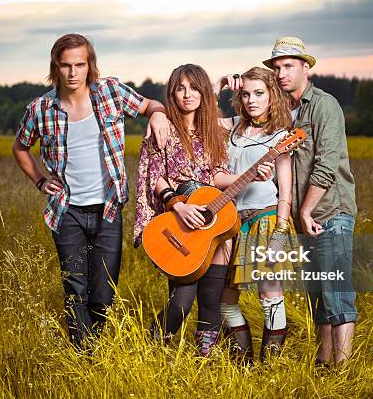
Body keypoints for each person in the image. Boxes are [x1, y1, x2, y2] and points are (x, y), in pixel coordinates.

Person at [12, 33, 169, 349]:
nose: (72, 73)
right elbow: (20, 148)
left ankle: (96, 346)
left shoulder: (110, 92)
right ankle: (85, 356)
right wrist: (40, 181)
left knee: (103, 293)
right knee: (75, 289)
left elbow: (151, 104)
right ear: (56, 67)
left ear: (89, 65)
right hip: (66, 210)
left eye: (79, 65)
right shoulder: (41, 109)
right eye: (65, 65)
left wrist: (159, 113)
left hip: (107, 209)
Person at [217, 36, 358, 367]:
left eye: (289, 66)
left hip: (328, 212)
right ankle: (324, 365)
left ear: (305, 67)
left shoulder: (324, 106)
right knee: (316, 297)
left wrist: (303, 211)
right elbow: (213, 120)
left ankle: (344, 370)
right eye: (276, 67)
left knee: (336, 293)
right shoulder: (280, 112)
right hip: (294, 217)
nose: (281, 73)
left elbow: (325, 165)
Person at [134, 64, 274, 356]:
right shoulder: (163, 127)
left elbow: (217, 175)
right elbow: (155, 176)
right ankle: (152, 345)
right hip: (179, 219)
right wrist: (179, 206)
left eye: (194, 88)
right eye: (180, 88)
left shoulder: (212, 131)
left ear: (202, 92)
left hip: (213, 220)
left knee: (211, 300)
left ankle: (205, 356)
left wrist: (248, 175)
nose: (188, 95)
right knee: (182, 303)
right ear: (171, 93)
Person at [213, 67, 298, 364]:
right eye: (246, 94)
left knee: (269, 294)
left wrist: (279, 233)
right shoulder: (235, 127)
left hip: (266, 218)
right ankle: (244, 363)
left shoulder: (280, 136)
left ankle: (270, 366)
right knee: (224, 299)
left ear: (271, 95)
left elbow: (285, 191)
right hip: (230, 222)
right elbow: (201, 120)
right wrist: (220, 84)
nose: (251, 100)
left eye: (259, 93)